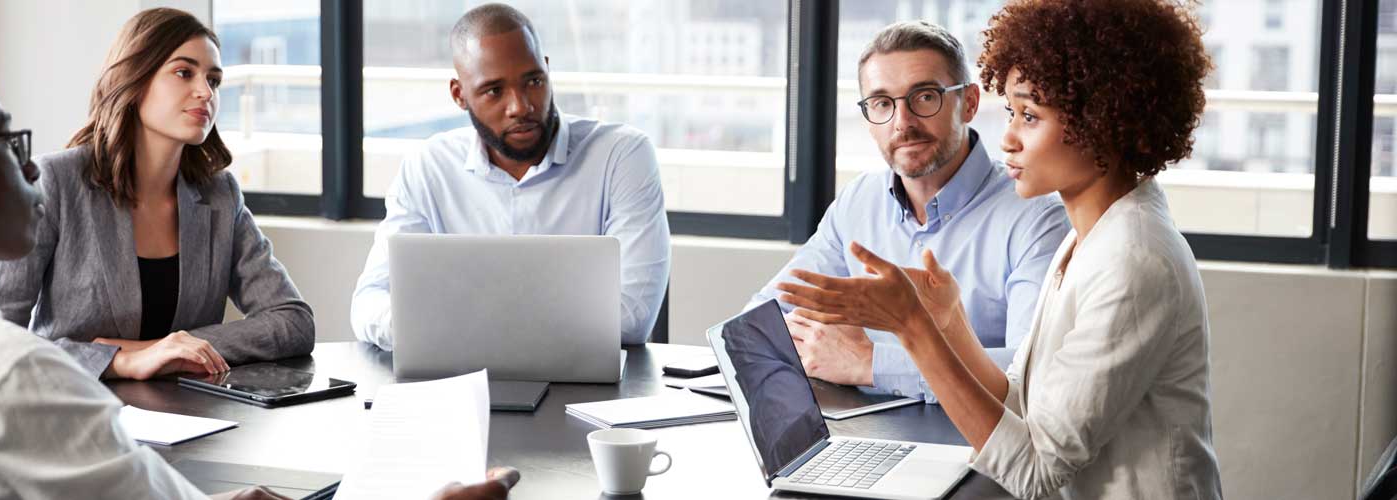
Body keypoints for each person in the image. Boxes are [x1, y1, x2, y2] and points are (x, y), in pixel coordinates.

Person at [0, 32, 515, 500]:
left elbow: (291, 319)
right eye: (4, 142)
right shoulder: (10, 376)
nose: (24, 166)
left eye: (214, 78)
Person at [776, 1, 1222, 497]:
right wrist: (950, 325)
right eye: (1011, 112)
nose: (1006, 138)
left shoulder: (1134, 261)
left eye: (1029, 116)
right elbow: (1023, 400)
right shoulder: (1090, 237)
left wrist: (914, 327)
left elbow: (1036, 472)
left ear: (1102, 122)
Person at [0, 8, 314, 381]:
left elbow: (293, 321)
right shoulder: (55, 182)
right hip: (74, 411)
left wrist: (169, 348)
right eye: (184, 73)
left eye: (213, 80)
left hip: (193, 419)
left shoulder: (220, 195)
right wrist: (120, 360)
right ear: (134, 79)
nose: (205, 92)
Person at [746, 21, 1067, 402]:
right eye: (882, 103)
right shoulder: (858, 202)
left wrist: (870, 364)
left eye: (925, 97)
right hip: (865, 436)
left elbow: (1029, 373)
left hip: (980, 448)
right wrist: (810, 345)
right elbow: (761, 320)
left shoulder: (1037, 217)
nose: (903, 123)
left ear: (969, 103)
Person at [349, 3, 671, 350]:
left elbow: (633, 317)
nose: (520, 106)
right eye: (494, 91)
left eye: (533, 81)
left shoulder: (621, 155)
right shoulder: (428, 166)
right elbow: (370, 301)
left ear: (547, 71)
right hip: (460, 383)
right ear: (460, 95)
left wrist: (450, 327)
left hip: (587, 391)